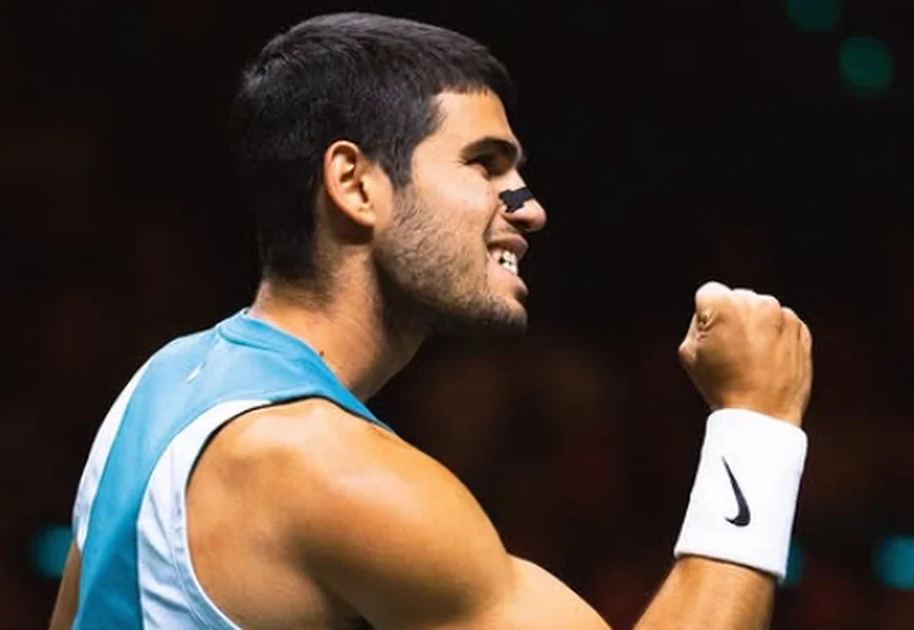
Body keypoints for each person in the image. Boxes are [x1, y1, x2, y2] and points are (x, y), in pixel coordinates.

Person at [49, 12, 813, 629]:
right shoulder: (327, 469)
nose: (530, 208)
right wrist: (757, 422)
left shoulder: (161, 383)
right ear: (355, 184)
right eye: (485, 164)